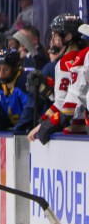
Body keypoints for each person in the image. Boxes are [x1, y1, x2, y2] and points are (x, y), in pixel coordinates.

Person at [29, 14, 87, 142]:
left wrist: (40, 125)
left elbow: (61, 103)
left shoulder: (63, 63)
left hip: (72, 128)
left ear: (68, 37)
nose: (52, 40)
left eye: (55, 35)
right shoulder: (84, 55)